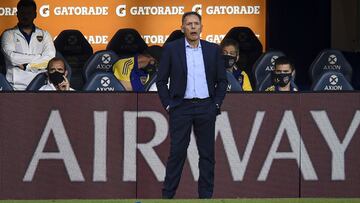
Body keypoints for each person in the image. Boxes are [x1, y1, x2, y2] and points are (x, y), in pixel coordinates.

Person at [156, 11, 227, 199]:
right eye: (189, 24)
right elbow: (161, 81)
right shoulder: (172, 49)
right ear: (182, 28)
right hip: (181, 108)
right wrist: (169, 105)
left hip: (206, 107)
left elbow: (222, 81)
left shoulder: (213, 49)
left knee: (207, 155)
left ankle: (205, 197)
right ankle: (167, 196)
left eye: (196, 23)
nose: (193, 27)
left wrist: (216, 104)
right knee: (177, 153)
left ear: (202, 28)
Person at [1, 0, 56, 90]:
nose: (25, 16)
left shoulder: (45, 34)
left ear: (35, 14)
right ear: (17, 14)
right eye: (22, 13)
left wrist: (27, 66)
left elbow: (50, 58)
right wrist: (39, 56)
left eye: (29, 13)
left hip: (42, 85)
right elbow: (12, 58)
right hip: (15, 87)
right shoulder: (8, 34)